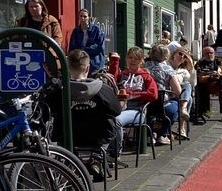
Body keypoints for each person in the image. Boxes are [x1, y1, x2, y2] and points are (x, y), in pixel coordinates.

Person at [68, 49, 121, 177]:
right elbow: (117, 110)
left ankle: (74, 160)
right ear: (87, 68)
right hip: (97, 135)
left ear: (68, 67)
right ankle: (97, 157)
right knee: (114, 123)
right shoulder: (103, 89)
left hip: (69, 136)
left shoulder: (59, 90)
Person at [116, 47, 159, 148]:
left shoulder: (146, 76)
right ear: (126, 59)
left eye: (136, 58)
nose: (132, 60)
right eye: (130, 57)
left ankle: (115, 152)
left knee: (116, 120)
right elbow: (113, 84)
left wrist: (132, 94)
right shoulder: (122, 75)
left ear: (141, 60)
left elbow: (153, 95)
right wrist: (114, 62)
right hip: (119, 108)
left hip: (138, 111)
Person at [145, 44, 182, 145]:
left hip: (146, 104)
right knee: (176, 107)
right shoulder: (168, 69)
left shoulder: (144, 67)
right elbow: (178, 91)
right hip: (163, 105)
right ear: (166, 56)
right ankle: (163, 134)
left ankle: (150, 134)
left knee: (149, 112)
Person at [193, 45, 222, 123]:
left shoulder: (218, 62)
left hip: (217, 84)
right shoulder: (199, 63)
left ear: (214, 53)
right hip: (205, 84)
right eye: (207, 53)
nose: (209, 55)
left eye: (211, 53)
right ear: (203, 54)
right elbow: (199, 75)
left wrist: (219, 74)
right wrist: (210, 75)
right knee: (205, 86)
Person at [68, 9, 106, 73]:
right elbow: (72, 48)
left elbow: (100, 47)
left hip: (94, 65)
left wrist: (84, 50)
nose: (82, 18)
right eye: (81, 16)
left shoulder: (97, 30)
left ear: (89, 18)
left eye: (85, 16)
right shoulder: (76, 31)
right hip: (79, 65)